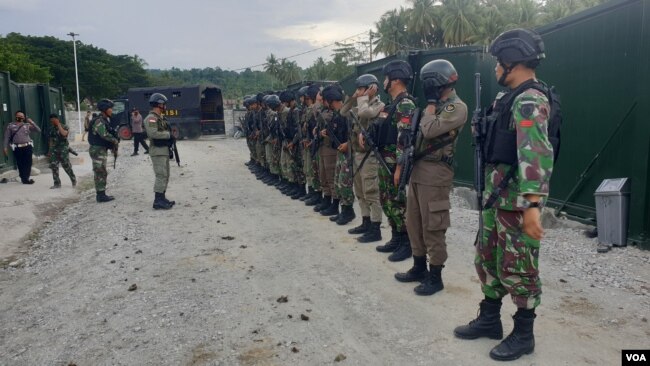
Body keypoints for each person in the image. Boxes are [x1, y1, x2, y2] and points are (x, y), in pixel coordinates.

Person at [453, 28, 553, 362]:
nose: (496, 68)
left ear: (512, 62)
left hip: (517, 202)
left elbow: (535, 156)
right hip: (496, 198)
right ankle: (489, 319)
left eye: (499, 62)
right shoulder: (506, 99)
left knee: (519, 268)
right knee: (488, 257)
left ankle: (524, 334)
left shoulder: (530, 100)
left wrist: (533, 207)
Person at [394, 60, 467, 296]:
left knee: (433, 225)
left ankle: (435, 276)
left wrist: (431, 106)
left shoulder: (456, 107)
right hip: (417, 170)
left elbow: (430, 130)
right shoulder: (431, 107)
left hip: (436, 173)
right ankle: (418, 266)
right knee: (413, 221)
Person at [361, 60, 416, 262]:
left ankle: (406, 243)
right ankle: (395, 236)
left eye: (386, 78)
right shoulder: (392, 105)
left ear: (395, 80)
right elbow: (381, 127)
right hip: (384, 160)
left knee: (398, 203)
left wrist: (400, 168)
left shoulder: (405, 104)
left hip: (394, 164)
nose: (384, 82)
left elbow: (405, 140)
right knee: (387, 201)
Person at [341, 74, 385, 242]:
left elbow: (366, 113)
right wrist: (353, 98)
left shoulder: (378, 105)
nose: (358, 92)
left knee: (371, 191)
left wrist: (364, 98)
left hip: (369, 155)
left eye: (361, 88)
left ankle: (375, 228)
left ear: (371, 89)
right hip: (356, 154)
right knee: (359, 191)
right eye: (358, 89)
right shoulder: (359, 103)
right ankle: (365, 222)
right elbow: (343, 111)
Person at [321, 84, 355, 225]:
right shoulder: (337, 113)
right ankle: (344, 209)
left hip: (348, 153)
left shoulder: (348, 112)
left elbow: (356, 132)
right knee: (338, 182)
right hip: (339, 152)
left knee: (345, 183)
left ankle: (348, 211)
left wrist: (348, 144)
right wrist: (326, 132)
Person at [144, 93, 176, 210]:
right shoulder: (151, 118)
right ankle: (157, 201)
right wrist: (168, 135)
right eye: (164, 104)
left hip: (163, 150)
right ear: (159, 104)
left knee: (166, 175)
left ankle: (162, 198)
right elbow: (153, 133)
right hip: (157, 151)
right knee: (161, 175)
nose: (165, 106)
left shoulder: (160, 118)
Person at [88, 99, 119, 202]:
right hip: (97, 149)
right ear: (105, 109)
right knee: (100, 171)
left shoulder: (105, 120)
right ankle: (100, 195)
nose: (112, 111)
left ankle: (101, 193)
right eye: (110, 108)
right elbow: (104, 135)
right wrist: (114, 140)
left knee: (101, 171)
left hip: (100, 149)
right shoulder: (99, 121)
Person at [3, 110, 41, 184]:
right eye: (18, 116)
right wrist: (5, 147)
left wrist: (32, 122)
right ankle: (24, 178)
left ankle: (25, 178)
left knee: (28, 163)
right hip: (17, 148)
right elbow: (6, 137)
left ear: (24, 118)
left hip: (27, 146)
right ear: (15, 116)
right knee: (20, 163)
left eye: (22, 116)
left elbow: (38, 130)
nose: (20, 117)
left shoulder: (27, 125)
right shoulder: (10, 126)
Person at [47, 113, 77, 189]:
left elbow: (64, 134)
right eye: (51, 121)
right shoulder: (51, 128)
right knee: (54, 166)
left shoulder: (65, 126)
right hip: (54, 150)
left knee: (66, 166)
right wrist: (50, 151)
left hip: (63, 149)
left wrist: (58, 125)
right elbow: (51, 140)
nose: (52, 122)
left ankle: (73, 180)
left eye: (54, 121)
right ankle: (57, 183)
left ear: (57, 119)